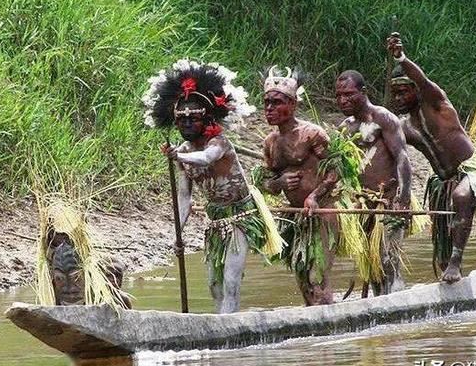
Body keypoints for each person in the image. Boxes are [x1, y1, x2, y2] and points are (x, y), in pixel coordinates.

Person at [143, 60, 282, 313]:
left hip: (241, 216)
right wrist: (178, 232)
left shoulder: (219, 143)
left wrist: (177, 157)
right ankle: (223, 322)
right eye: (181, 120)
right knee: (214, 284)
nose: (186, 124)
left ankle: (228, 327)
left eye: (192, 119)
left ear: (205, 119)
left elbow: (206, 158)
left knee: (230, 279)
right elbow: (184, 198)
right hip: (215, 220)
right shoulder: (183, 152)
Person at [387, 33, 476, 283]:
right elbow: (386, 141)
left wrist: (401, 58)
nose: (398, 99)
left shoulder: (438, 105)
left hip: (474, 170)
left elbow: (422, 79)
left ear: (417, 92)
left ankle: (455, 262)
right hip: (442, 182)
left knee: (461, 196)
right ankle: (450, 272)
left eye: (403, 92)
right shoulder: (404, 127)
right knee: (442, 243)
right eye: (394, 94)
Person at [259, 66, 343, 306]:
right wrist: (278, 182)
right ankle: (315, 319)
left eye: (276, 103)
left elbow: (336, 170)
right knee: (302, 276)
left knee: (318, 273)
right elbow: (266, 184)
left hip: (322, 210)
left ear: (293, 104)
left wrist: (315, 196)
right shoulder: (270, 143)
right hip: (296, 216)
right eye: (266, 103)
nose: (269, 108)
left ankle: (327, 319)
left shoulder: (312, 134)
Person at [336, 70, 412, 295]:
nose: (343, 100)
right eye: (339, 96)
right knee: (371, 264)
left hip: (388, 202)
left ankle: (395, 304)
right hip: (362, 205)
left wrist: (403, 198)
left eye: (349, 95)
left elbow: (402, 157)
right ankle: (381, 305)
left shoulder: (383, 118)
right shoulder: (345, 127)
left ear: (363, 92)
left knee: (387, 258)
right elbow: (342, 168)